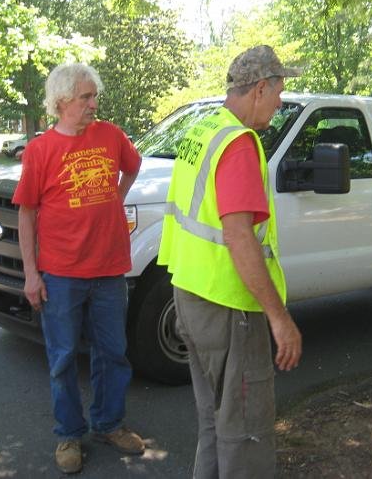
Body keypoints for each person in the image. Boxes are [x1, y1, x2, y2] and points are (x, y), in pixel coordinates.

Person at [158, 45, 303, 479]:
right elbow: (239, 236)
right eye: (279, 91)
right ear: (260, 88)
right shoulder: (238, 144)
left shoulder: (202, 130)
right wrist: (279, 318)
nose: (280, 103)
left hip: (191, 293)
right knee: (246, 431)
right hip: (230, 306)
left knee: (214, 423)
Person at [13, 62, 144, 474]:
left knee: (113, 352)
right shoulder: (40, 149)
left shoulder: (110, 134)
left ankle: (108, 423)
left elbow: (133, 165)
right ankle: (69, 434)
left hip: (109, 268)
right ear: (63, 101)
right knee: (63, 357)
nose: (94, 103)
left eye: (94, 96)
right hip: (62, 272)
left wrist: (114, 199)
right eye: (86, 97)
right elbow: (27, 214)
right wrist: (31, 274)